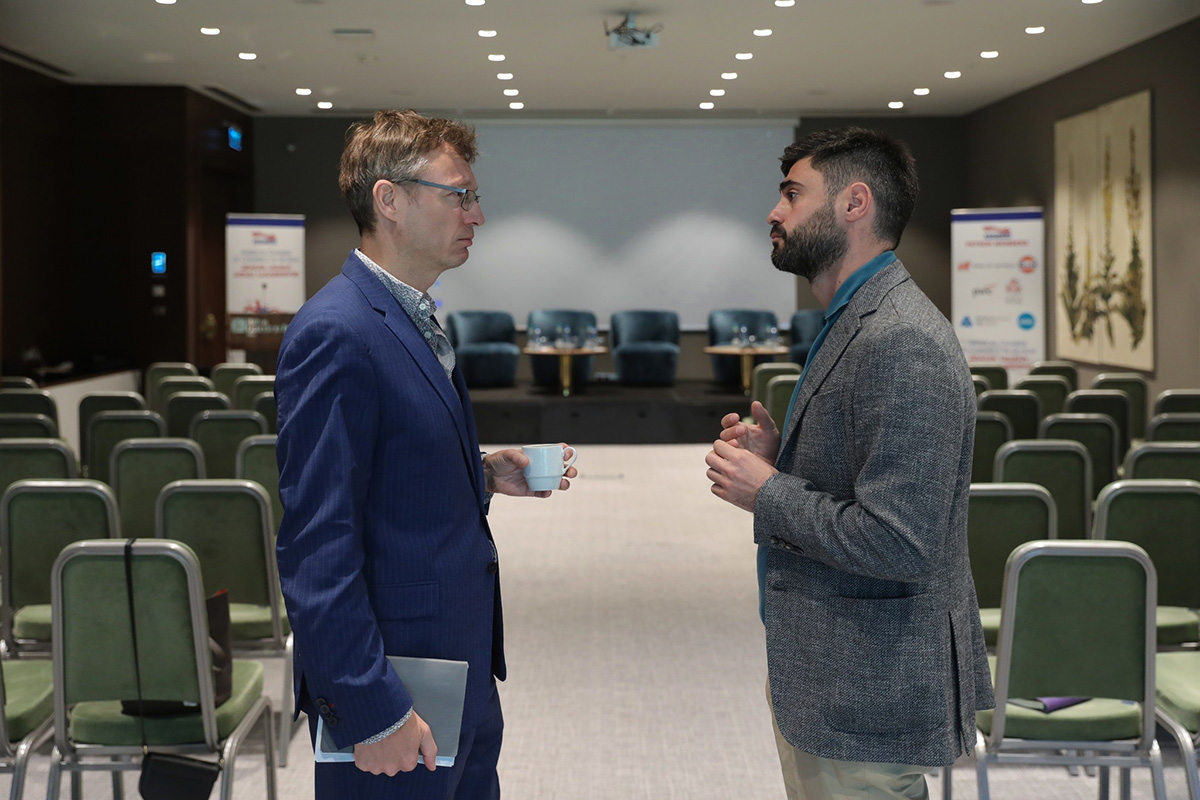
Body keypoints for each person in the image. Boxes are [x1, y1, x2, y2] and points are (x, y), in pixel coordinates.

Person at [275, 109, 577, 800]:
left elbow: (384, 472)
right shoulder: (337, 331)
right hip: (394, 685)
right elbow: (317, 543)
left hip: (454, 663)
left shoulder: (410, 314)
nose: (476, 214)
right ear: (389, 200)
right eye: (459, 195)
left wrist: (481, 475)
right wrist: (369, 707)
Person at [705, 127, 993, 800]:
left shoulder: (902, 338)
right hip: (833, 673)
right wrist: (781, 462)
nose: (775, 213)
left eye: (792, 195)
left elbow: (900, 540)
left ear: (854, 203)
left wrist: (768, 491)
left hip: (869, 687)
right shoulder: (857, 316)